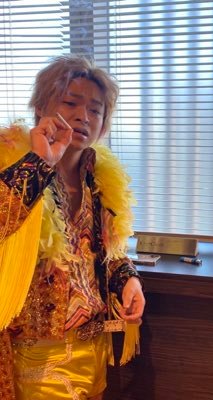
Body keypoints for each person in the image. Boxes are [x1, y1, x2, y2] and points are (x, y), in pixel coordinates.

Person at [0, 54, 145, 400]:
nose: (83, 116)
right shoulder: (11, 164)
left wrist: (128, 279)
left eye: (96, 110)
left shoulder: (100, 179)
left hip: (93, 345)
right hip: (34, 354)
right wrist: (39, 163)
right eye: (70, 103)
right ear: (40, 107)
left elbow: (106, 252)